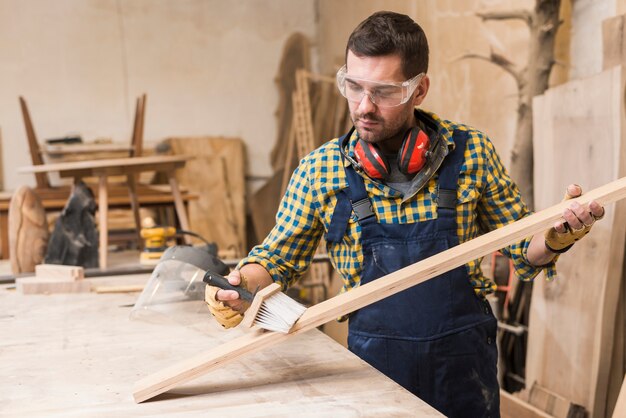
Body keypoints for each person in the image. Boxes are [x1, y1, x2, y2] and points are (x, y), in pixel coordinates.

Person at [204, 11, 605, 418]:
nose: (363, 106)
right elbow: (277, 260)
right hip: (375, 371)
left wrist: (556, 234)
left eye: (383, 92)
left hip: (463, 370)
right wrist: (241, 286)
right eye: (353, 87)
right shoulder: (318, 171)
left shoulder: (472, 153)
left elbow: (524, 248)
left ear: (419, 89)